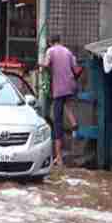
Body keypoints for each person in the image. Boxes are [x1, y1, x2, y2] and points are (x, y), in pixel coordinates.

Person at [40, 35, 80, 168]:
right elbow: (76, 70)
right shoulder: (68, 52)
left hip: (58, 90)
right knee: (67, 105)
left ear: (51, 42)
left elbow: (46, 65)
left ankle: (59, 158)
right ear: (60, 41)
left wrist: (40, 65)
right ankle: (73, 122)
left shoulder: (50, 51)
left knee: (57, 123)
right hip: (70, 86)